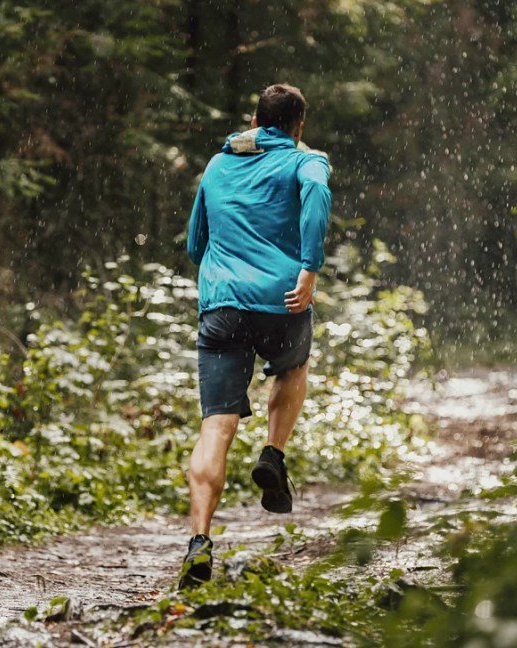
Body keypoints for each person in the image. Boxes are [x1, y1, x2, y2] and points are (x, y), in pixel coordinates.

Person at [178, 83, 332, 589]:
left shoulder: (217, 166)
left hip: (222, 307)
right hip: (283, 302)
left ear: (254, 118)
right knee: (292, 368)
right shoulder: (306, 162)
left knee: (215, 428)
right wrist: (308, 267)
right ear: (299, 125)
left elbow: (195, 243)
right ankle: (273, 454)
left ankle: (199, 541)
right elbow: (316, 193)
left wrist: (228, 269)